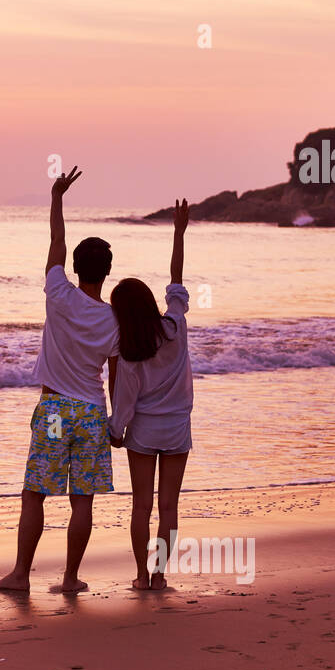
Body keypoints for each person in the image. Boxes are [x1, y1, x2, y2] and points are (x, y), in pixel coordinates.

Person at [0, 166, 119, 594]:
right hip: (93, 413)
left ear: (76, 268)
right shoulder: (113, 319)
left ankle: (22, 575)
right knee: (83, 500)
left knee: (35, 494)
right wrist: (118, 422)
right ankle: (69, 578)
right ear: (107, 272)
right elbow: (116, 374)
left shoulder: (59, 294)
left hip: (55, 409)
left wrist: (58, 198)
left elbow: (56, 244)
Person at [108, 198, 193, 591]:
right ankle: (160, 574)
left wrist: (115, 432)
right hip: (177, 430)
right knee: (169, 507)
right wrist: (178, 232)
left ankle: (142, 576)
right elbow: (176, 279)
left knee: (141, 506)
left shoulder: (129, 354)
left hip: (143, 433)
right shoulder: (175, 326)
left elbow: (123, 407)